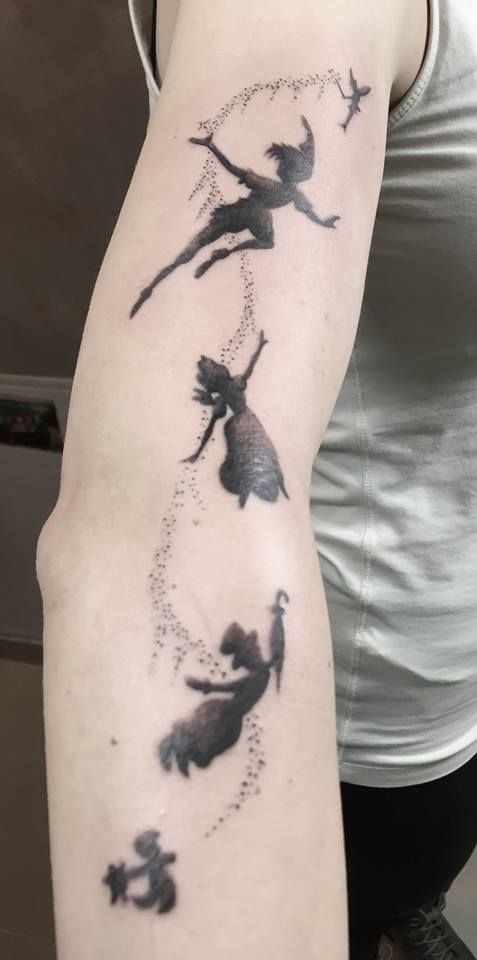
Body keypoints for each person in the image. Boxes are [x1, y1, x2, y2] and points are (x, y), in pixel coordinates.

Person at [37, 2, 477, 959]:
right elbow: (159, 526)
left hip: (451, 662)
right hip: (355, 718)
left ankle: (402, 906)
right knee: (379, 874)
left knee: (413, 873)